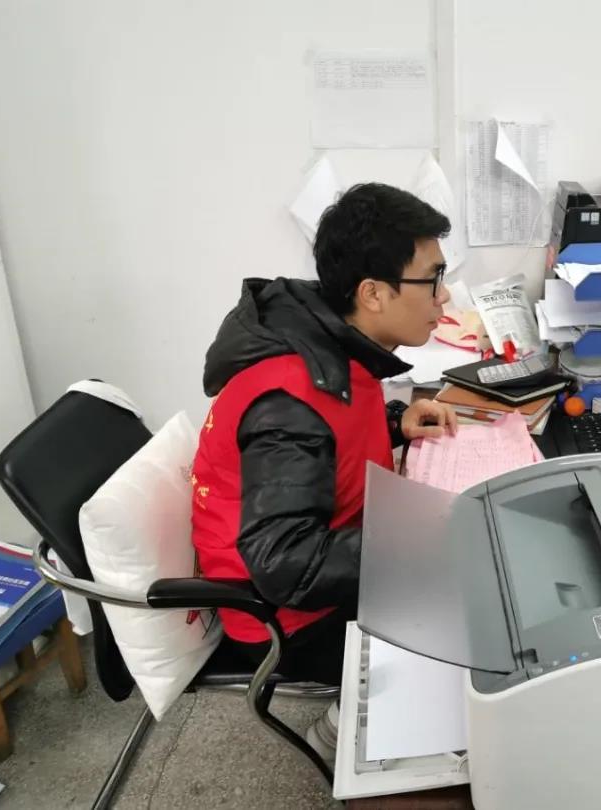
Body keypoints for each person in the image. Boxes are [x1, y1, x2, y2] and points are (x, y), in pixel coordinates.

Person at [190, 183, 458, 689]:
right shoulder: (288, 403)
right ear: (373, 293)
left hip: (320, 570)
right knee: (469, 614)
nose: (443, 296)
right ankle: (341, 723)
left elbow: (324, 446)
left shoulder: (330, 341)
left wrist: (393, 423)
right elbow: (285, 564)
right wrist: (413, 540)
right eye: (433, 280)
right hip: (289, 623)